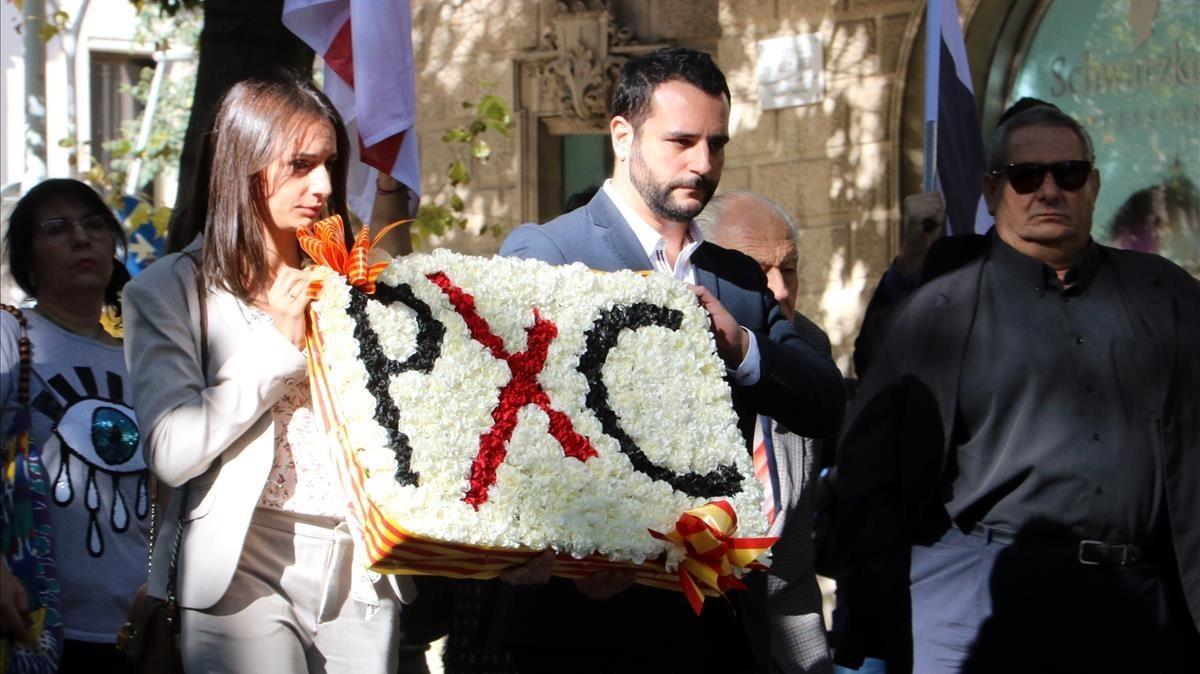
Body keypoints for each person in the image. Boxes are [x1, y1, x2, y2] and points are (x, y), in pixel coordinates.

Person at [473, 46, 846, 673]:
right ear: (623, 135)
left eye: (717, 144)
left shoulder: (737, 280)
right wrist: (607, 543)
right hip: (581, 627)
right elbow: (511, 436)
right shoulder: (549, 251)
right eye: (682, 141)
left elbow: (824, 400)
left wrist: (744, 348)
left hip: (714, 628)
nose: (703, 164)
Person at [834, 104, 1200, 672]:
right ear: (991, 189)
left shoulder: (1166, 296)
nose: (1049, 190)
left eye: (1069, 174)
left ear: (1094, 185)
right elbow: (870, 475)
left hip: (1137, 602)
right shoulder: (933, 315)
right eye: (1028, 176)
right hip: (977, 599)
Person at [122, 75, 410, 673]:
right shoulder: (168, 291)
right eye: (300, 164)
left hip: (363, 562)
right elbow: (171, 451)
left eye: (329, 164)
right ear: (243, 162)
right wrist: (278, 344)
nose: (324, 185)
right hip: (241, 562)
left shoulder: (352, 278)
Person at [1, 178, 147, 672]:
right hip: (36, 626)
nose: (81, 238)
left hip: (142, 631)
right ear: (27, 261)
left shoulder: (148, 360)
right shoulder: (9, 335)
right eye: (56, 228)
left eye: (94, 224)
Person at [697, 188, 834, 673]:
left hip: (782, 633)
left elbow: (792, 546)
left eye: (789, 268)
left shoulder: (810, 349)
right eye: (758, 272)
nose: (778, 289)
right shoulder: (674, 348)